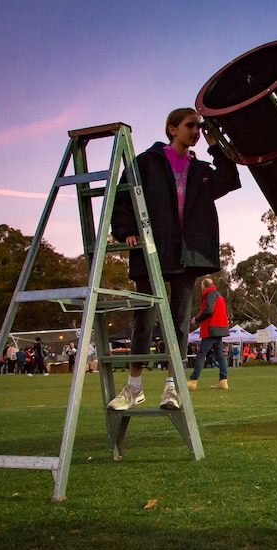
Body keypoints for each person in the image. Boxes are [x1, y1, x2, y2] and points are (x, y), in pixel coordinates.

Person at [108, 108, 240, 411]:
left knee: (180, 321)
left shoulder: (200, 168)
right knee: (144, 318)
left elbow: (230, 179)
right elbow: (123, 195)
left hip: (186, 253)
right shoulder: (146, 162)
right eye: (190, 126)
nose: (195, 131)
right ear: (172, 129)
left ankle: (172, 387)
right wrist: (126, 231)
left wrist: (214, 144)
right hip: (151, 249)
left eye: (199, 127)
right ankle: (134, 387)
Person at [188, 277, 229, 390]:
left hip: (211, 328)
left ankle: (193, 380)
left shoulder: (209, 294)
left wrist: (197, 319)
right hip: (220, 328)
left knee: (201, 354)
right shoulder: (218, 294)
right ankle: (223, 380)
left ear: (203, 286)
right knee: (220, 356)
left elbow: (208, 310)